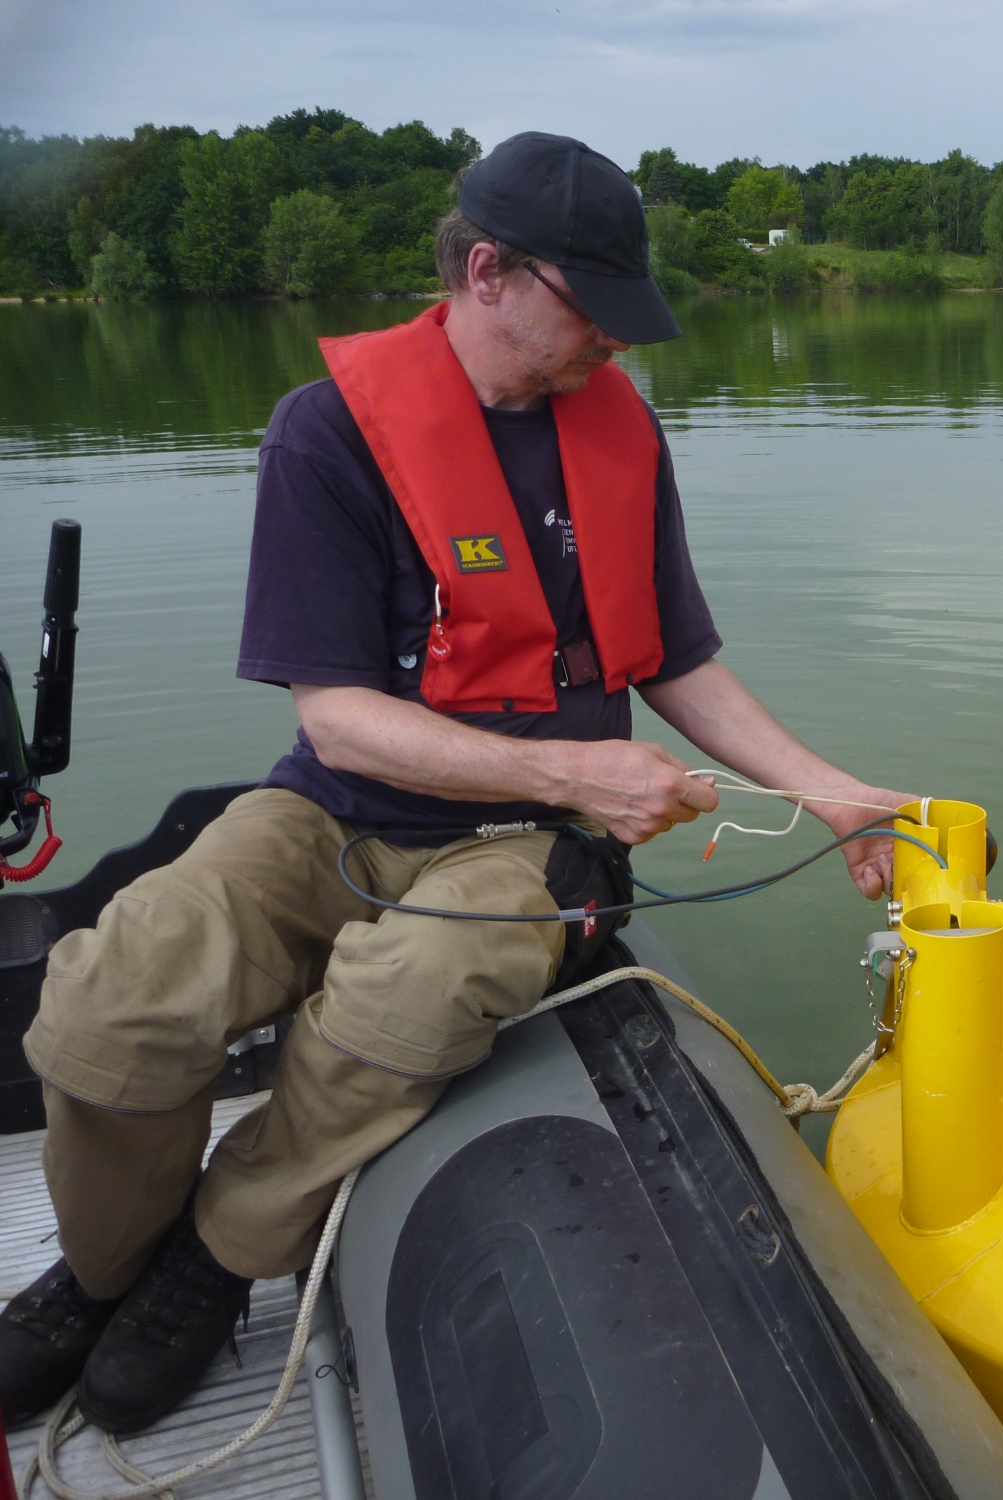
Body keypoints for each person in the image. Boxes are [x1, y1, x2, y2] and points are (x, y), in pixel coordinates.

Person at [0, 132, 912, 1435]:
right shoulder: (327, 436)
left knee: (411, 994)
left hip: (530, 842)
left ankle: (211, 1259)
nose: (619, 342)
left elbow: (679, 663)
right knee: (112, 995)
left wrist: (830, 790)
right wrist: (576, 763)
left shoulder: (623, 433)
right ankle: (97, 1276)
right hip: (335, 809)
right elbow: (338, 718)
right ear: (489, 271)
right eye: (589, 307)